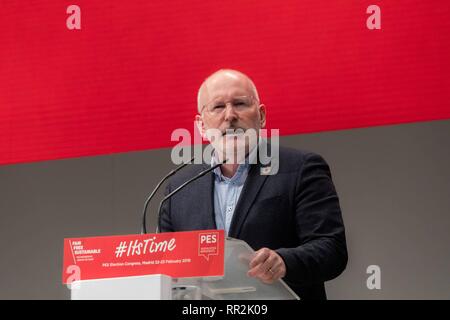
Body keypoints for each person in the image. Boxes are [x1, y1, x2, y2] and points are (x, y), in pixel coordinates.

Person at [160, 69, 348, 300]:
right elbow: (165, 266)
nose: (229, 115)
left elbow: (332, 250)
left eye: (240, 103)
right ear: (201, 125)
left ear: (261, 115)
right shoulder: (178, 189)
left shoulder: (301, 169)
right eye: (218, 107)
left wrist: (284, 262)